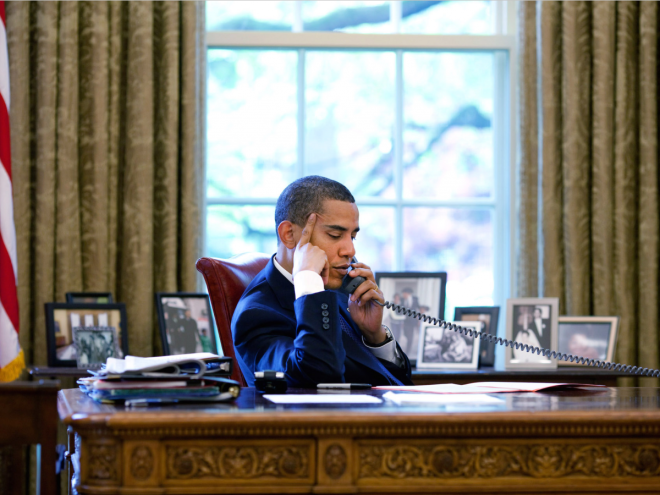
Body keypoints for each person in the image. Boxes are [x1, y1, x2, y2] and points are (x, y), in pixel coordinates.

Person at [232, 176, 413, 387]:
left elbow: (398, 381)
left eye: (352, 237)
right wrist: (308, 284)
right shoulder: (255, 314)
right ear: (288, 234)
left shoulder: (339, 290)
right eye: (335, 235)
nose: (350, 251)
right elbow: (317, 378)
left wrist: (375, 337)